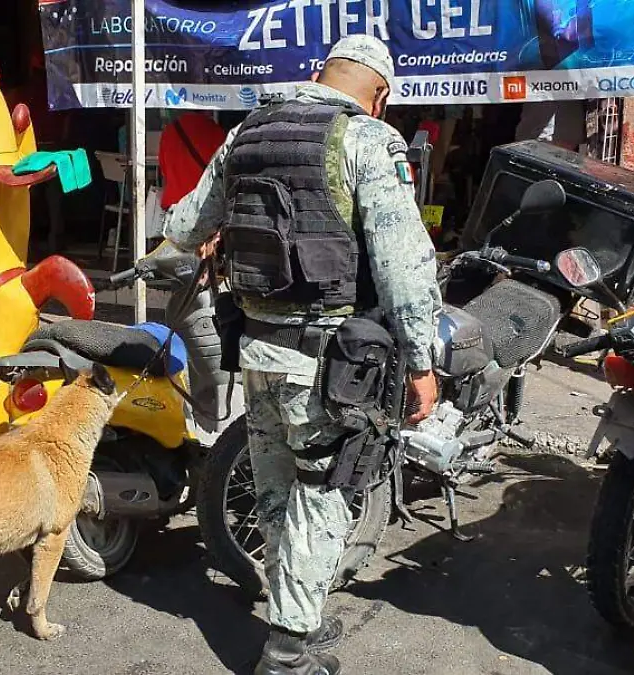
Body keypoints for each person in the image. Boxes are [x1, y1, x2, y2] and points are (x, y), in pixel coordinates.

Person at [158, 35, 441, 675]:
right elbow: (404, 265)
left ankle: (299, 611)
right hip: (328, 362)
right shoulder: (369, 140)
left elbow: (182, 228)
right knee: (324, 491)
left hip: (256, 348)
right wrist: (422, 362)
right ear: (382, 96)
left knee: (276, 486)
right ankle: (286, 654)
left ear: (319, 73)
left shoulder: (247, 133)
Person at [158, 111, 227, 210]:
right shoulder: (214, 131)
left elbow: (163, 169)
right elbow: (224, 167)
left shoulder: (169, 131)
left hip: (174, 204)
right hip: (203, 204)